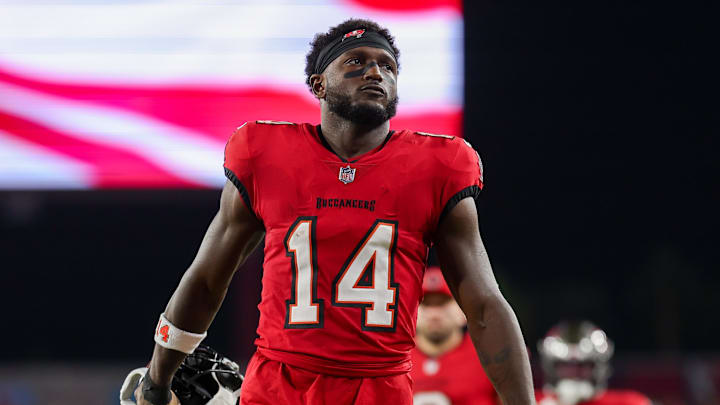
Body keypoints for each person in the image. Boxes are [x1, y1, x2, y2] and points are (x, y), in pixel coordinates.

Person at [134, 18, 535, 405]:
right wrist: (157, 377)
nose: (375, 72)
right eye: (356, 61)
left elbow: (484, 306)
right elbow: (206, 280)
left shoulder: (438, 165)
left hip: (380, 388)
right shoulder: (264, 154)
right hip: (279, 384)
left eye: (387, 65)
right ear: (319, 84)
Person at [411, 266, 497, 405]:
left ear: (463, 310)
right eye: (426, 304)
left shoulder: (489, 355)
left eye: (443, 304)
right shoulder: (393, 357)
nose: (434, 314)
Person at [536, 321, 651, 405]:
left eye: (583, 364)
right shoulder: (532, 400)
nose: (574, 371)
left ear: (598, 367)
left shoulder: (629, 402)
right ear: (551, 367)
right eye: (565, 365)